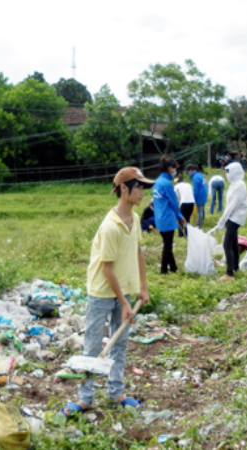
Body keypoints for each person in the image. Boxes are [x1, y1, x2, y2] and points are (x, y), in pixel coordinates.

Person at [61, 167, 152, 415]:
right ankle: (85, 397)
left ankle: (115, 392)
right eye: (140, 187)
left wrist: (143, 287)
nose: (143, 192)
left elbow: (137, 253)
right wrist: (124, 303)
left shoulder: (133, 220)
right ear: (124, 189)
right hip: (103, 293)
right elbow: (107, 269)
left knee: (119, 342)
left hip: (124, 292)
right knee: (92, 345)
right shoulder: (110, 226)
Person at [153, 156, 186, 274]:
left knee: (167, 243)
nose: (175, 171)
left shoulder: (157, 182)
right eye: (174, 168)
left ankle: (173, 267)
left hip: (159, 218)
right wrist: (180, 216)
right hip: (167, 218)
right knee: (168, 246)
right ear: (169, 168)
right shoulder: (166, 184)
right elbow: (173, 202)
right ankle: (163, 270)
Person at [215, 163, 247, 280]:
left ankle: (229, 274)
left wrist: (223, 220)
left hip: (236, 217)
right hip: (231, 216)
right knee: (234, 243)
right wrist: (223, 218)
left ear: (235, 172)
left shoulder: (239, 185)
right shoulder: (233, 184)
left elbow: (233, 205)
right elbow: (228, 204)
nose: (227, 174)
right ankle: (235, 267)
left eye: (229, 172)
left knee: (227, 244)